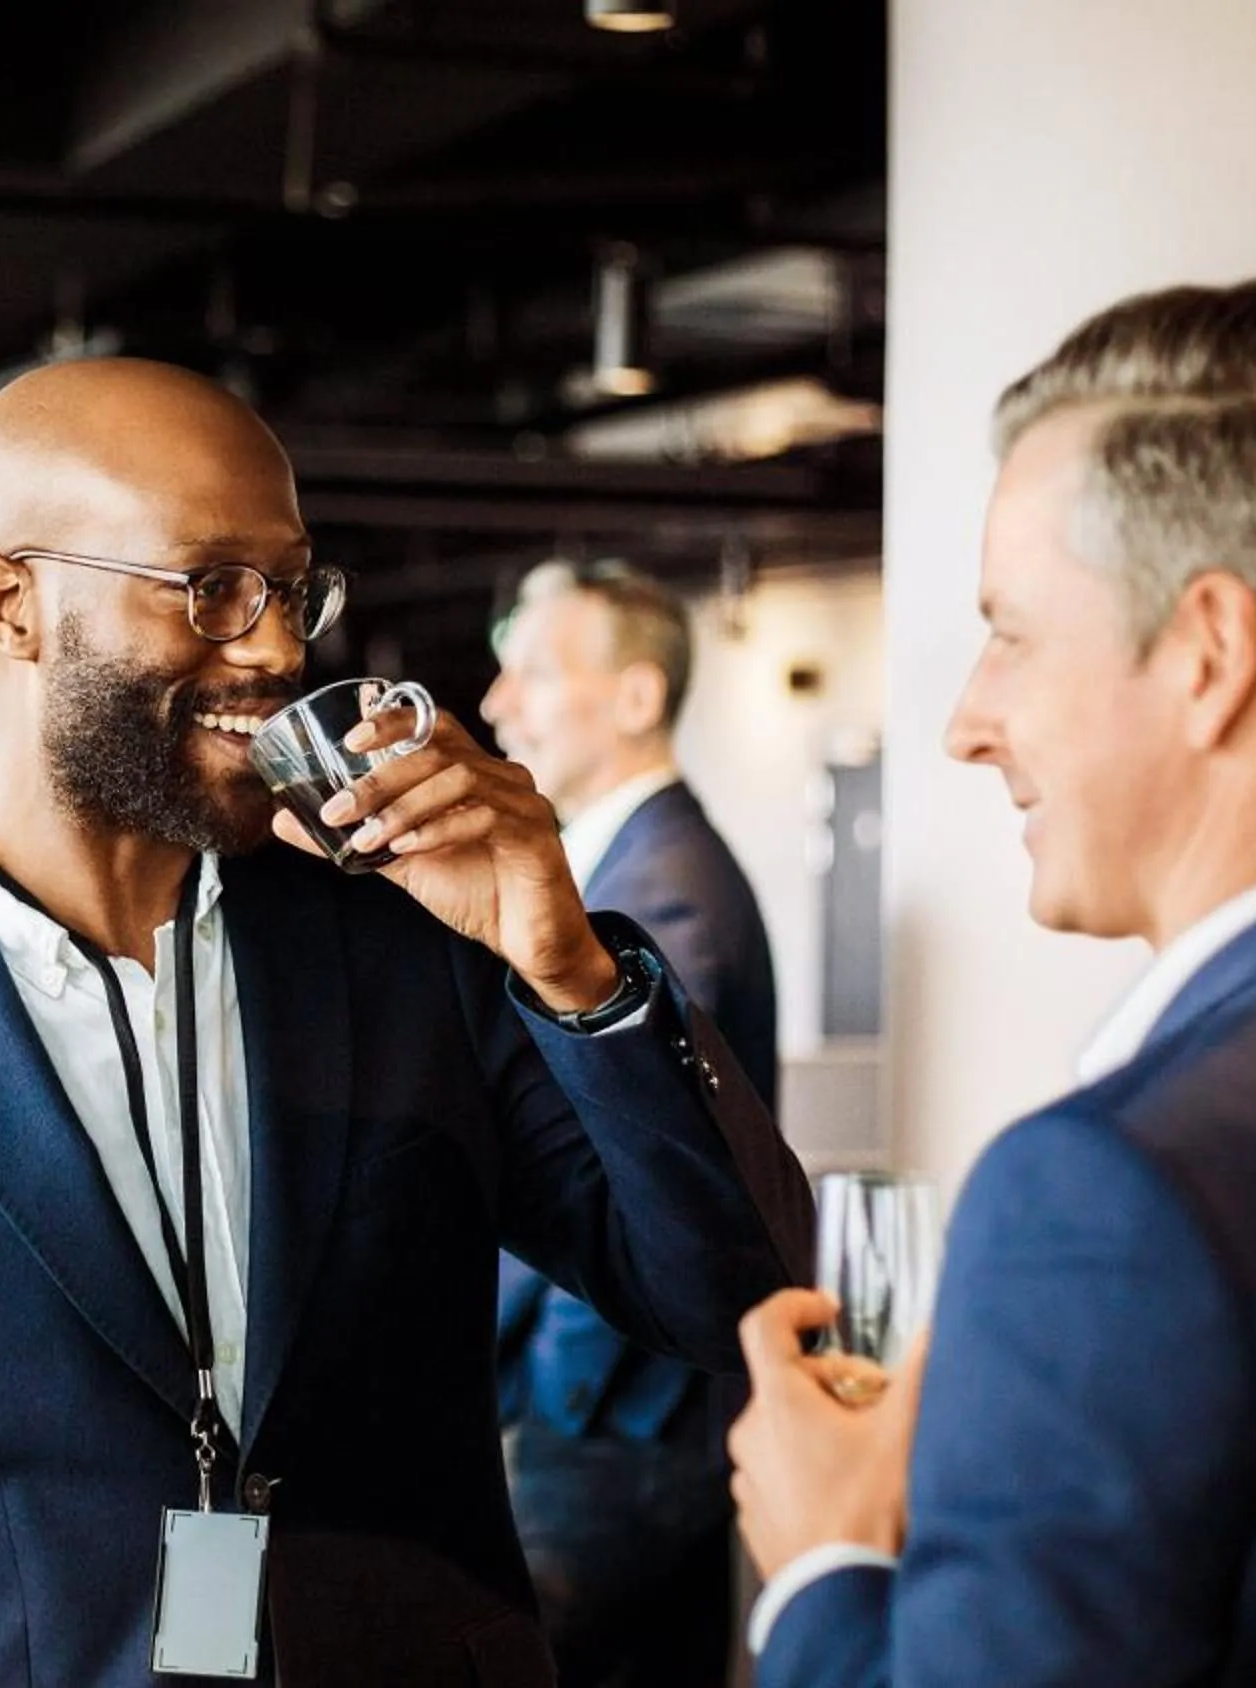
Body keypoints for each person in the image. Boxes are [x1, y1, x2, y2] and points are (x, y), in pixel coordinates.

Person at [0, 355, 813, 1687]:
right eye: (209, 589)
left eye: (291, 588)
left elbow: (736, 1299)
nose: (273, 646)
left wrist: (569, 963)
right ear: (13, 604)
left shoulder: (416, 954)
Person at [727, 278, 1256, 1687]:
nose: (967, 723)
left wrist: (827, 1562)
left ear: (1210, 655)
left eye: (1011, 631)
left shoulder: (1120, 1190)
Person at [480, 560, 780, 1686]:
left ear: (639, 699)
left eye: (535, 673)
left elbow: (636, 1154)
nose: (499, 703)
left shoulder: (668, 888)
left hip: (615, 1418)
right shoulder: (624, 863)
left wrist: (548, 1402)